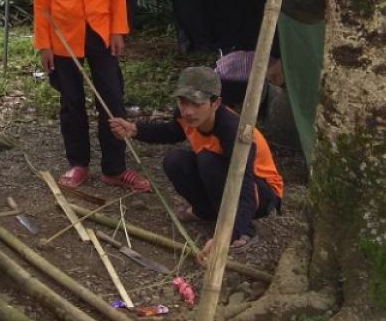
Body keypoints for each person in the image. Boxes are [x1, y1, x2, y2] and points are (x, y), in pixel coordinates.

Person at [32, 0, 149, 193]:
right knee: (71, 102)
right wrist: (43, 44)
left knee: (111, 98)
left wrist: (118, 30)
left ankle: (115, 168)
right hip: (62, 36)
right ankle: (78, 164)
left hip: (101, 31)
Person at [109, 66, 283, 255]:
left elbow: (245, 185)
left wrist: (230, 233)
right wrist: (134, 130)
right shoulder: (184, 116)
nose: (188, 111)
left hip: (262, 192)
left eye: (197, 104)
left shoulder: (234, 132)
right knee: (175, 161)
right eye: (183, 102)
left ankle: (245, 229)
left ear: (215, 103)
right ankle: (206, 212)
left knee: (207, 161)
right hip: (226, 177)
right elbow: (170, 132)